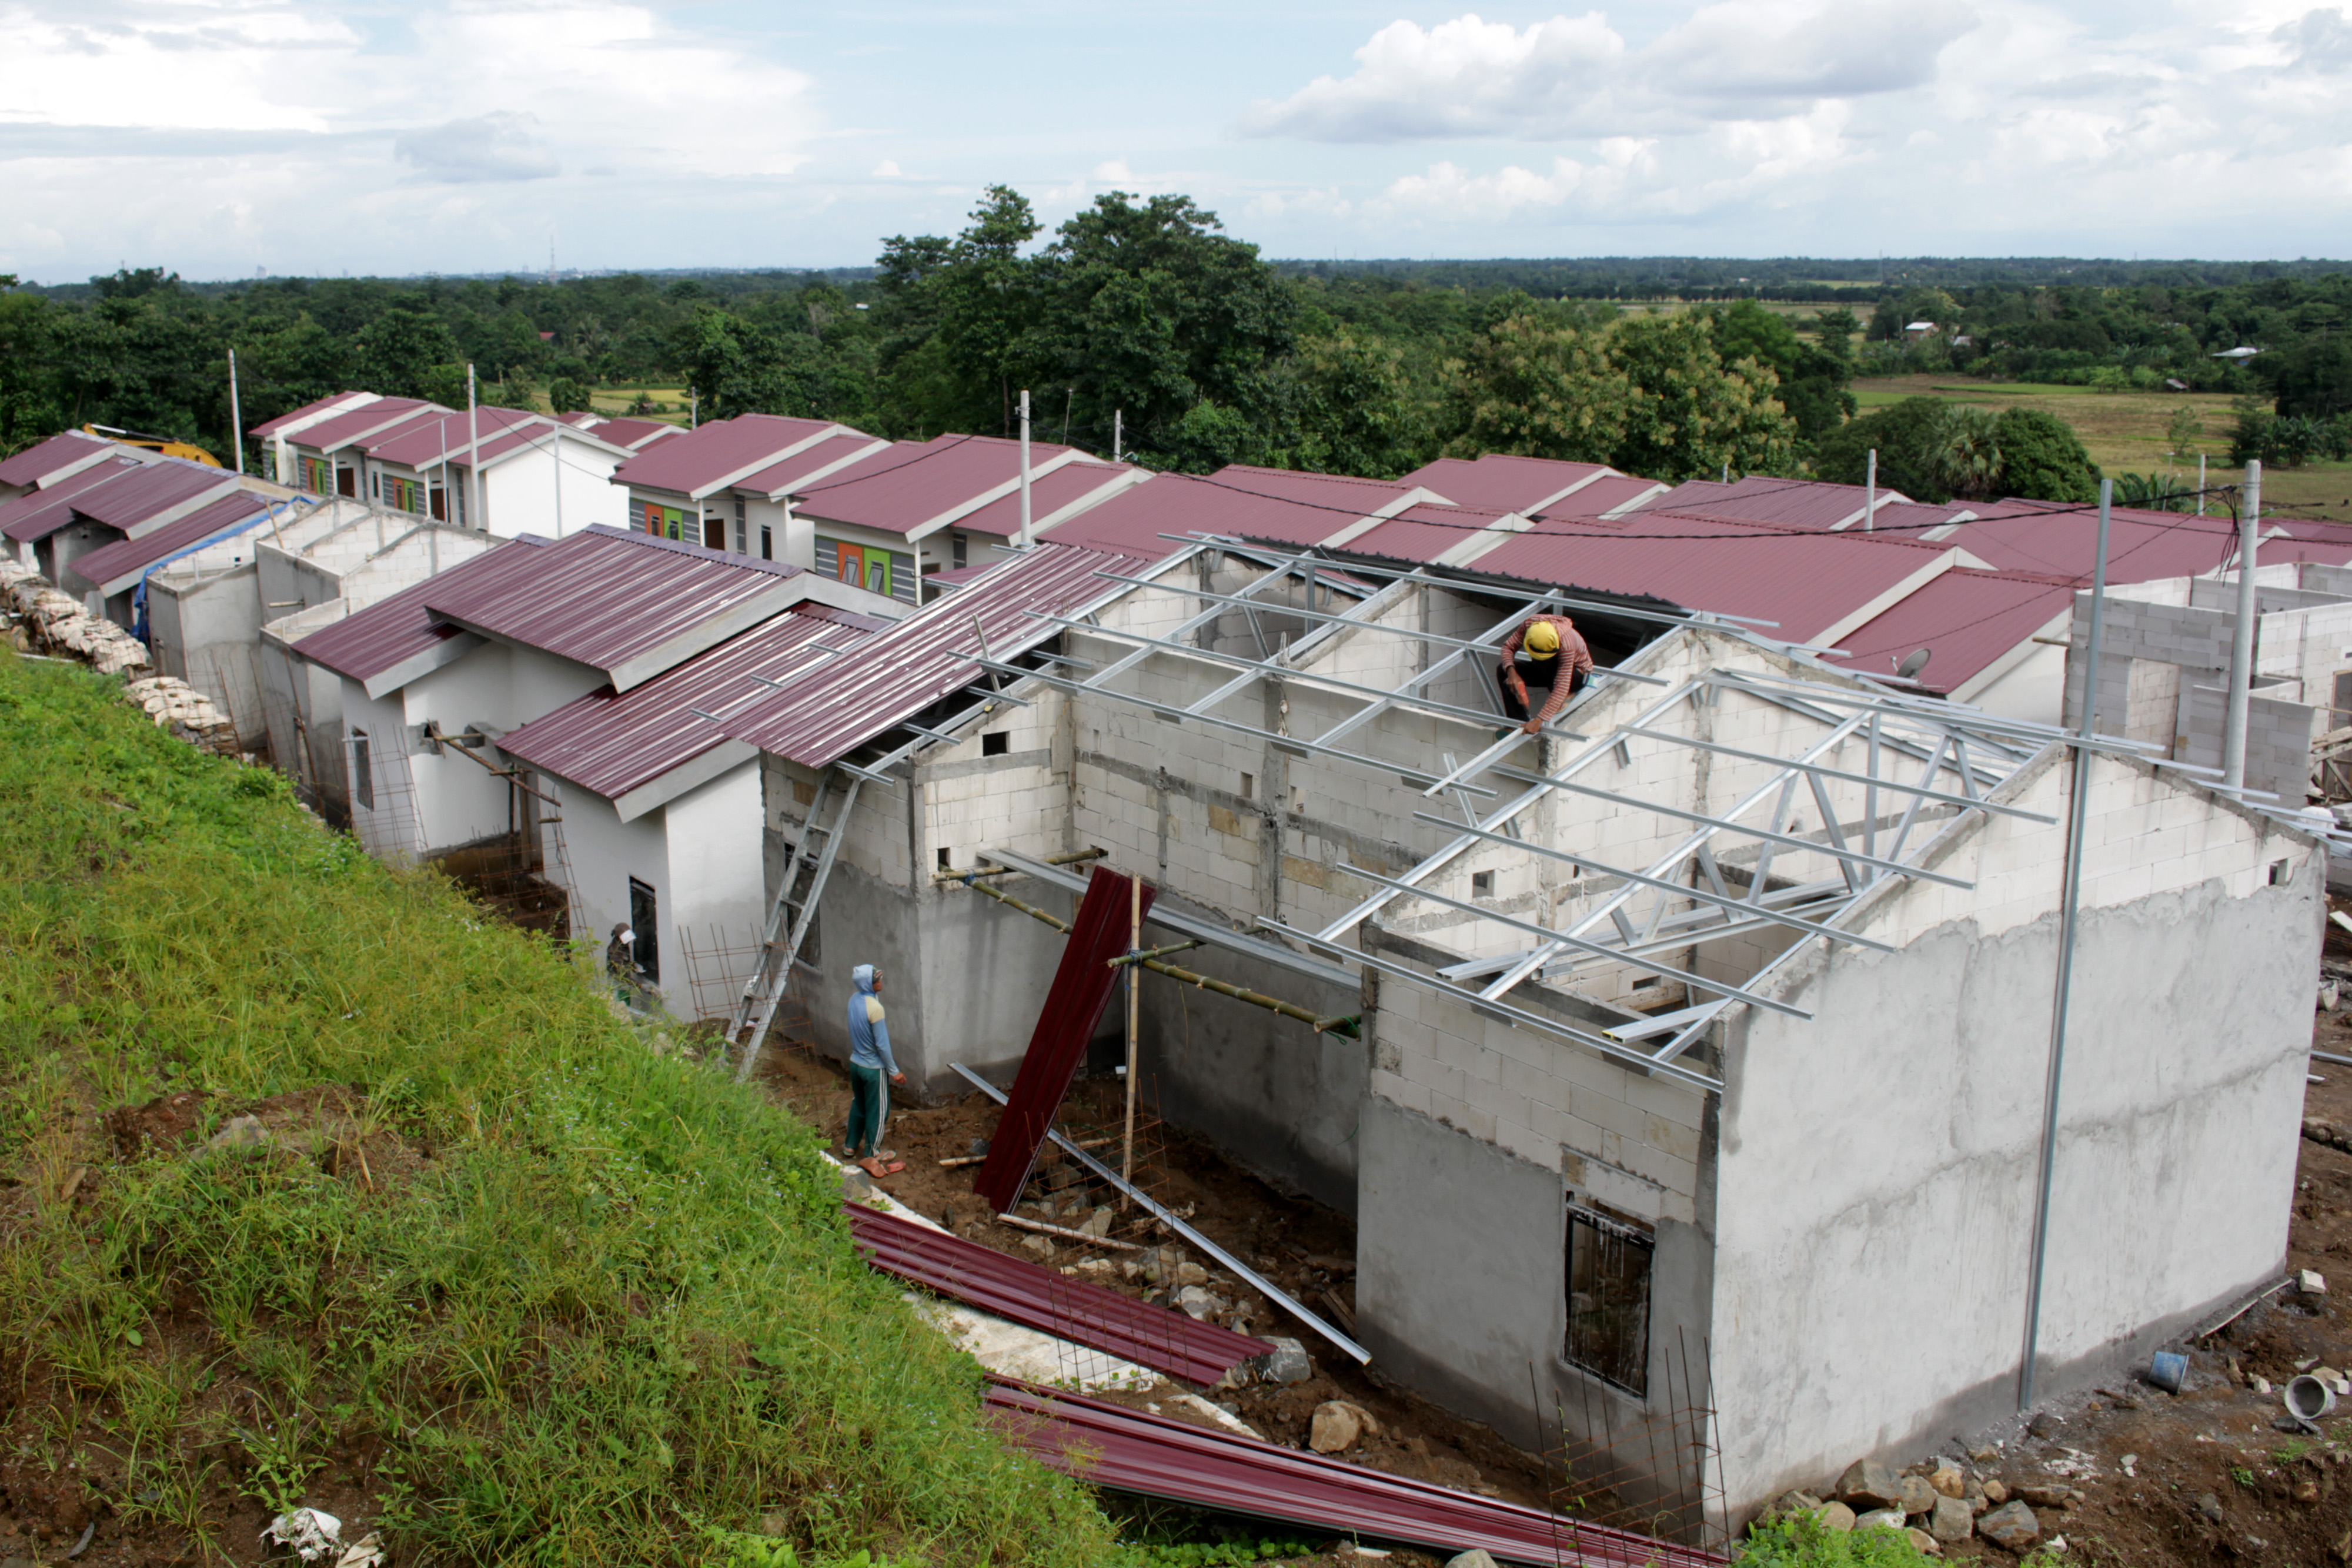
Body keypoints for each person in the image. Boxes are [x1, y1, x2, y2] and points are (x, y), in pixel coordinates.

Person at [845, 962, 907, 1172]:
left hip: (856, 1064)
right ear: (867, 984)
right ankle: (873, 1152)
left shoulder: (854, 1000)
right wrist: (894, 1071)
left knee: (859, 1104)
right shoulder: (876, 1009)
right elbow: (882, 1045)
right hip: (873, 1069)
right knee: (879, 1111)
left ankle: (849, 1146)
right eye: (876, 980)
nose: (880, 983)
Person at [1496, 613, 1594, 735]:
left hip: (1576, 676)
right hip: (1546, 671)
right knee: (1503, 669)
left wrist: (1540, 720)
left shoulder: (1567, 642)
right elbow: (1508, 647)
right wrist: (1512, 673)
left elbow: (1562, 684)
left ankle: (1565, 696)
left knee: (1550, 665)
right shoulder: (1529, 625)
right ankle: (1517, 723)